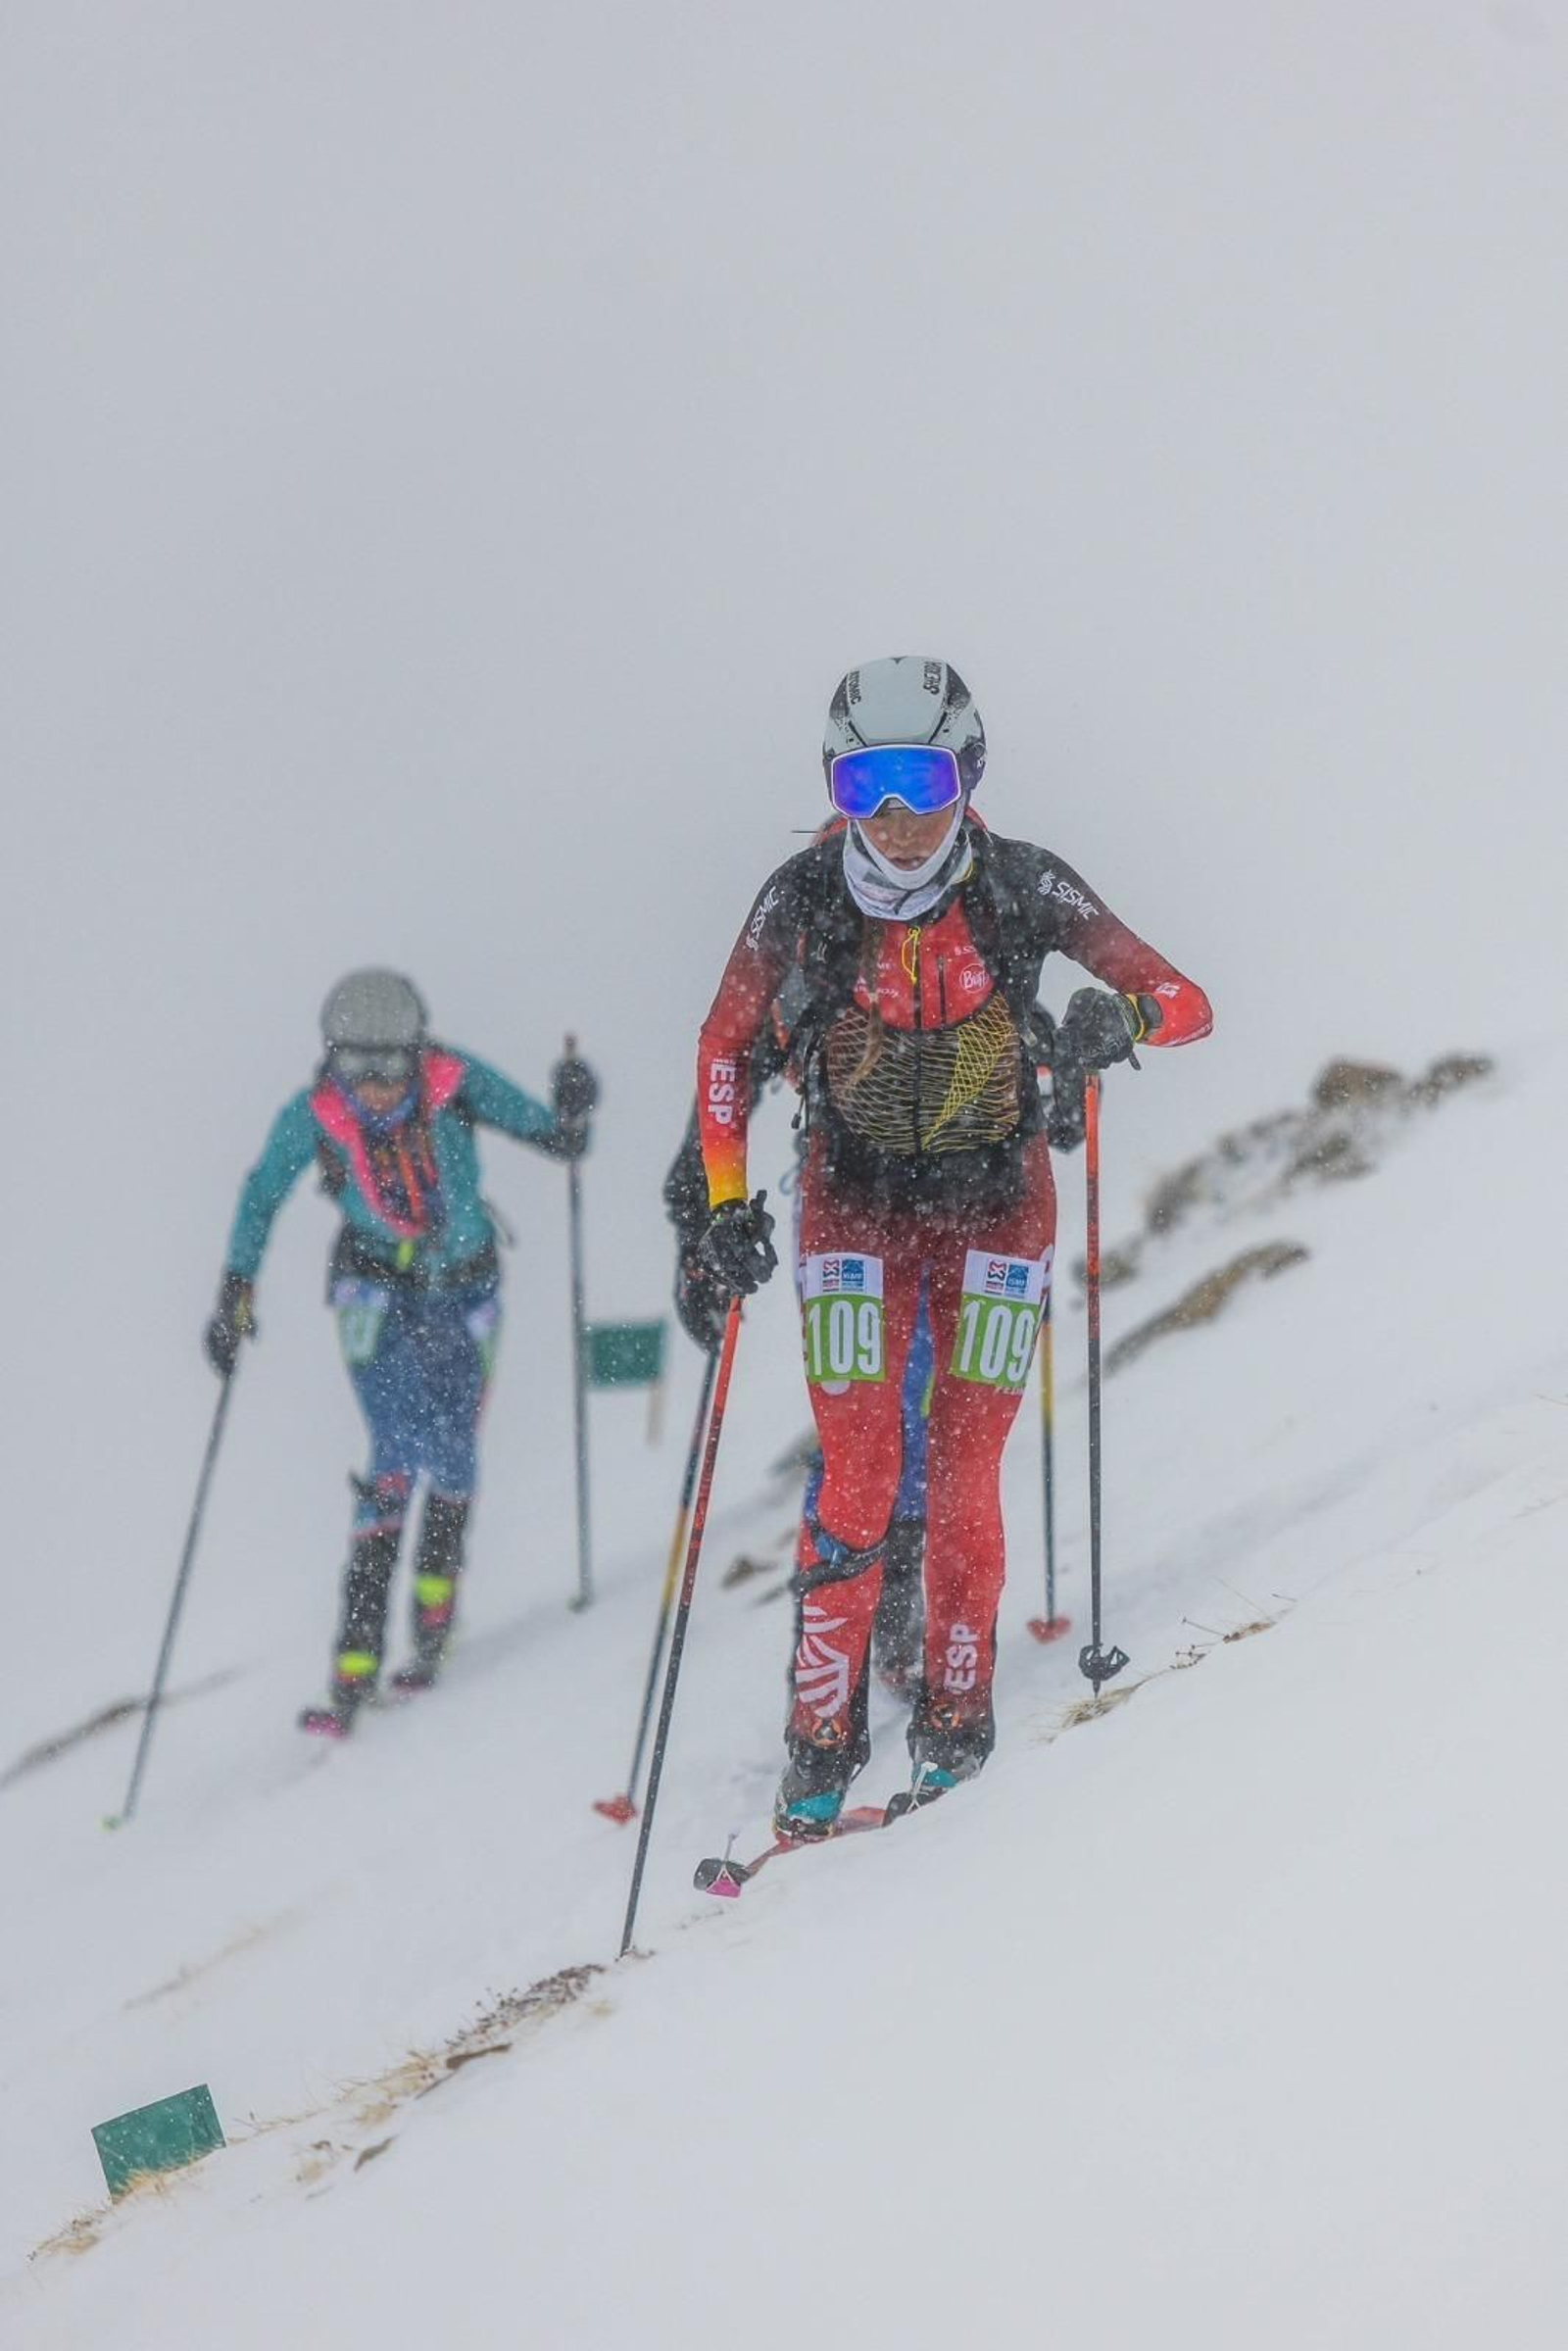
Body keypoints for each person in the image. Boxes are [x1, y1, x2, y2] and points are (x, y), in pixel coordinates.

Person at [691, 657, 1211, 1836]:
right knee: (861, 1469)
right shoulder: (802, 893)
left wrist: (1112, 1017)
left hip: (997, 1209)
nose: (894, 816)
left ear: (964, 770)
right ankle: (818, 1741)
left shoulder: (1023, 884)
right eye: (865, 782)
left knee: (963, 1466)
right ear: (833, 782)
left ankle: (955, 1722)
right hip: (850, 1212)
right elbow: (723, 1049)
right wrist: (724, 1202)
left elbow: (1184, 998)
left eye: (917, 778)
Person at [203, 969, 598, 1733]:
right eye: (358, 1068)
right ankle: (354, 1661)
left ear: (417, 1052)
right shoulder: (314, 1115)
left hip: (467, 1291)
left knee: (452, 1451)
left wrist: (574, 1106)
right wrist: (233, 1292)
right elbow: (261, 1193)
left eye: (391, 1065)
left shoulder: (455, 1082)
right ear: (336, 1062)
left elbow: (553, 1135)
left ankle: (434, 1616)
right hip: (374, 1294)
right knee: (394, 1448)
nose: (378, 1085)